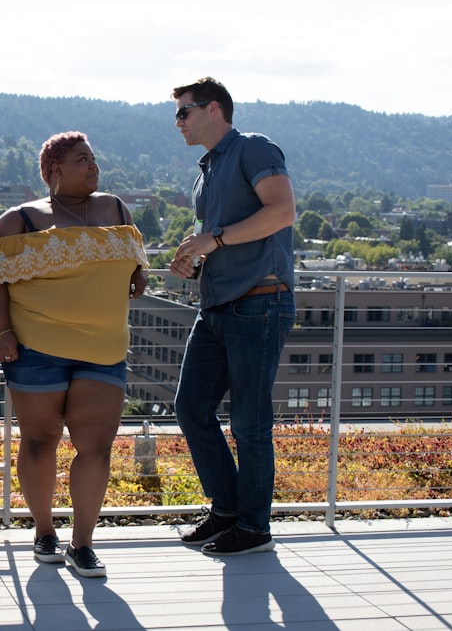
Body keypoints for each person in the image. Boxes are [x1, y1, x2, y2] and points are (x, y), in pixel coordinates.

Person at [0, 131, 149, 578]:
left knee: (96, 447)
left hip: (104, 349)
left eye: (93, 158)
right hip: (38, 349)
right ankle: (43, 532)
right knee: (41, 441)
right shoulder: (18, 221)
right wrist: (2, 332)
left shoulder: (115, 208)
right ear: (54, 170)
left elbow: (133, 257)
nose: (94, 166)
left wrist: (137, 274)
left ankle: (83, 543)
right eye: (82, 160)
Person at [168, 77, 297, 556]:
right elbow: (218, 236)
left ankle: (254, 527)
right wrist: (195, 255)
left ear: (214, 109)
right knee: (191, 408)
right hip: (218, 303)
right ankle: (226, 510)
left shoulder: (254, 148)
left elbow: (281, 212)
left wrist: (214, 239)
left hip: (260, 301)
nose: (177, 121)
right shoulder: (207, 170)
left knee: (249, 421)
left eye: (184, 111)